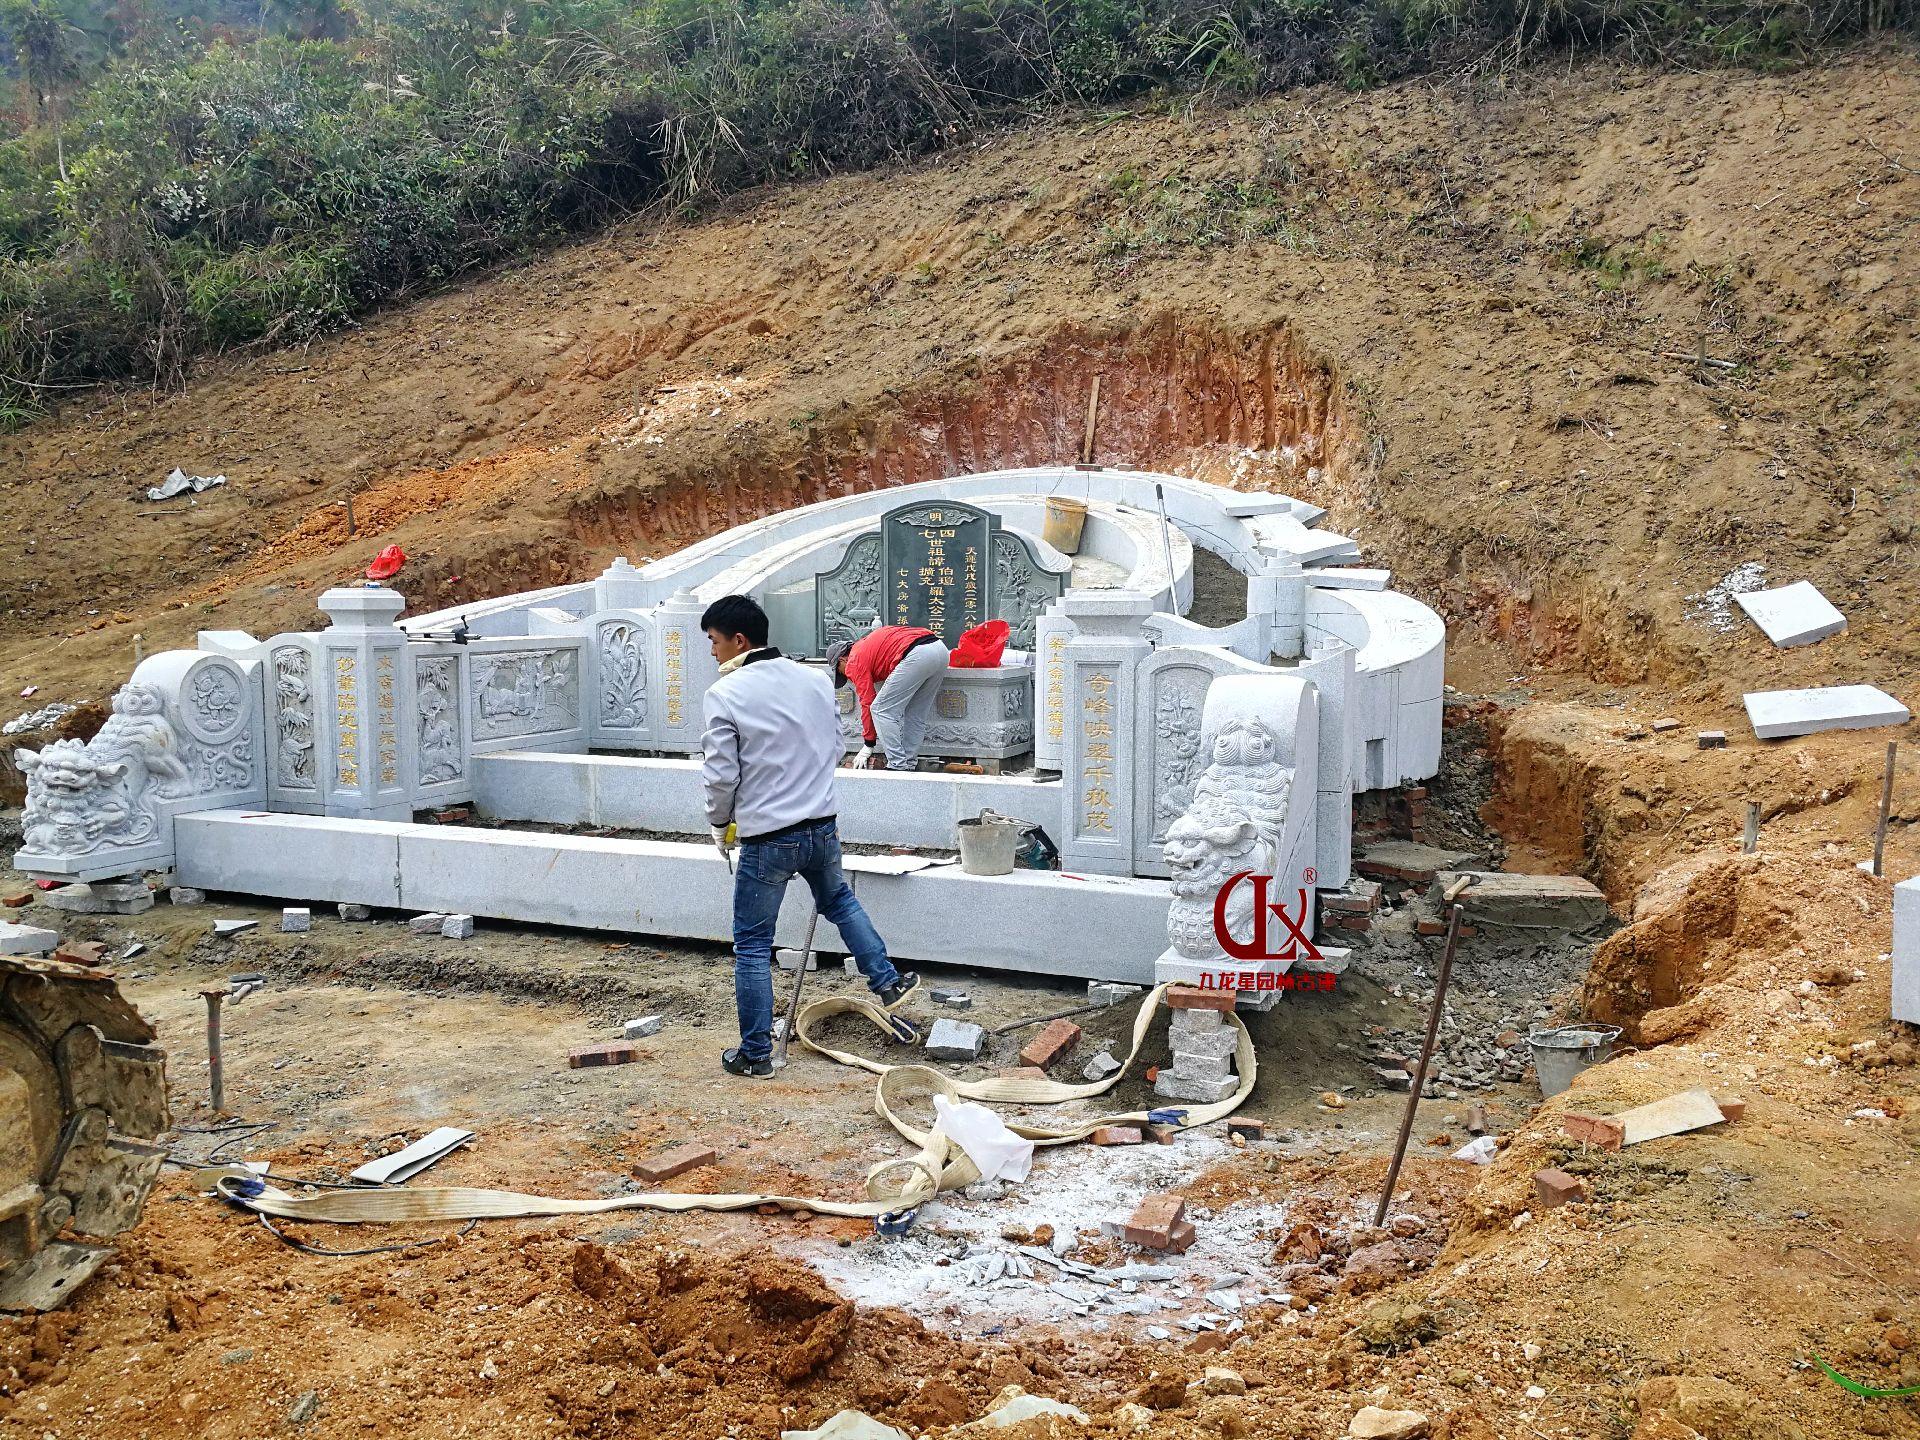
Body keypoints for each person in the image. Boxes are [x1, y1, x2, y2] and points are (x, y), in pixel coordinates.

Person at [700, 595, 918, 1078]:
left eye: (713, 642)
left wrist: (720, 824)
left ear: (738, 640)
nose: (712, 653)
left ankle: (756, 1055)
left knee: (753, 946)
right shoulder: (814, 678)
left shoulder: (727, 694)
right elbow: (836, 743)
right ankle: (886, 980)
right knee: (839, 900)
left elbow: (720, 776)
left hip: (768, 837)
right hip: (821, 826)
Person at [825, 624, 953, 772]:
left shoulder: (854, 661)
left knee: (881, 710)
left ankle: (897, 766)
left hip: (917, 654)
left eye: (840, 671)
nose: (845, 676)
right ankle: (909, 764)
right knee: (915, 714)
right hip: (940, 650)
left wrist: (868, 744)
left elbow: (868, 703)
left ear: (842, 659)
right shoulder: (866, 646)